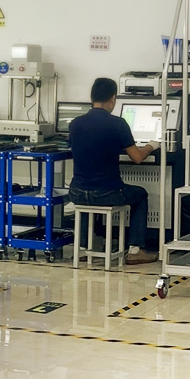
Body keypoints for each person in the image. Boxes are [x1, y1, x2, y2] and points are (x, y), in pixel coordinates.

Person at [67, 77, 159, 264]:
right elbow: (137, 157)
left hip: (77, 192)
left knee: (87, 190)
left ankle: (83, 248)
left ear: (91, 98)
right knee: (141, 194)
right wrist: (151, 146)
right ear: (113, 98)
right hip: (107, 193)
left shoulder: (75, 123)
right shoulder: (118, 124)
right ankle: (135, 250)